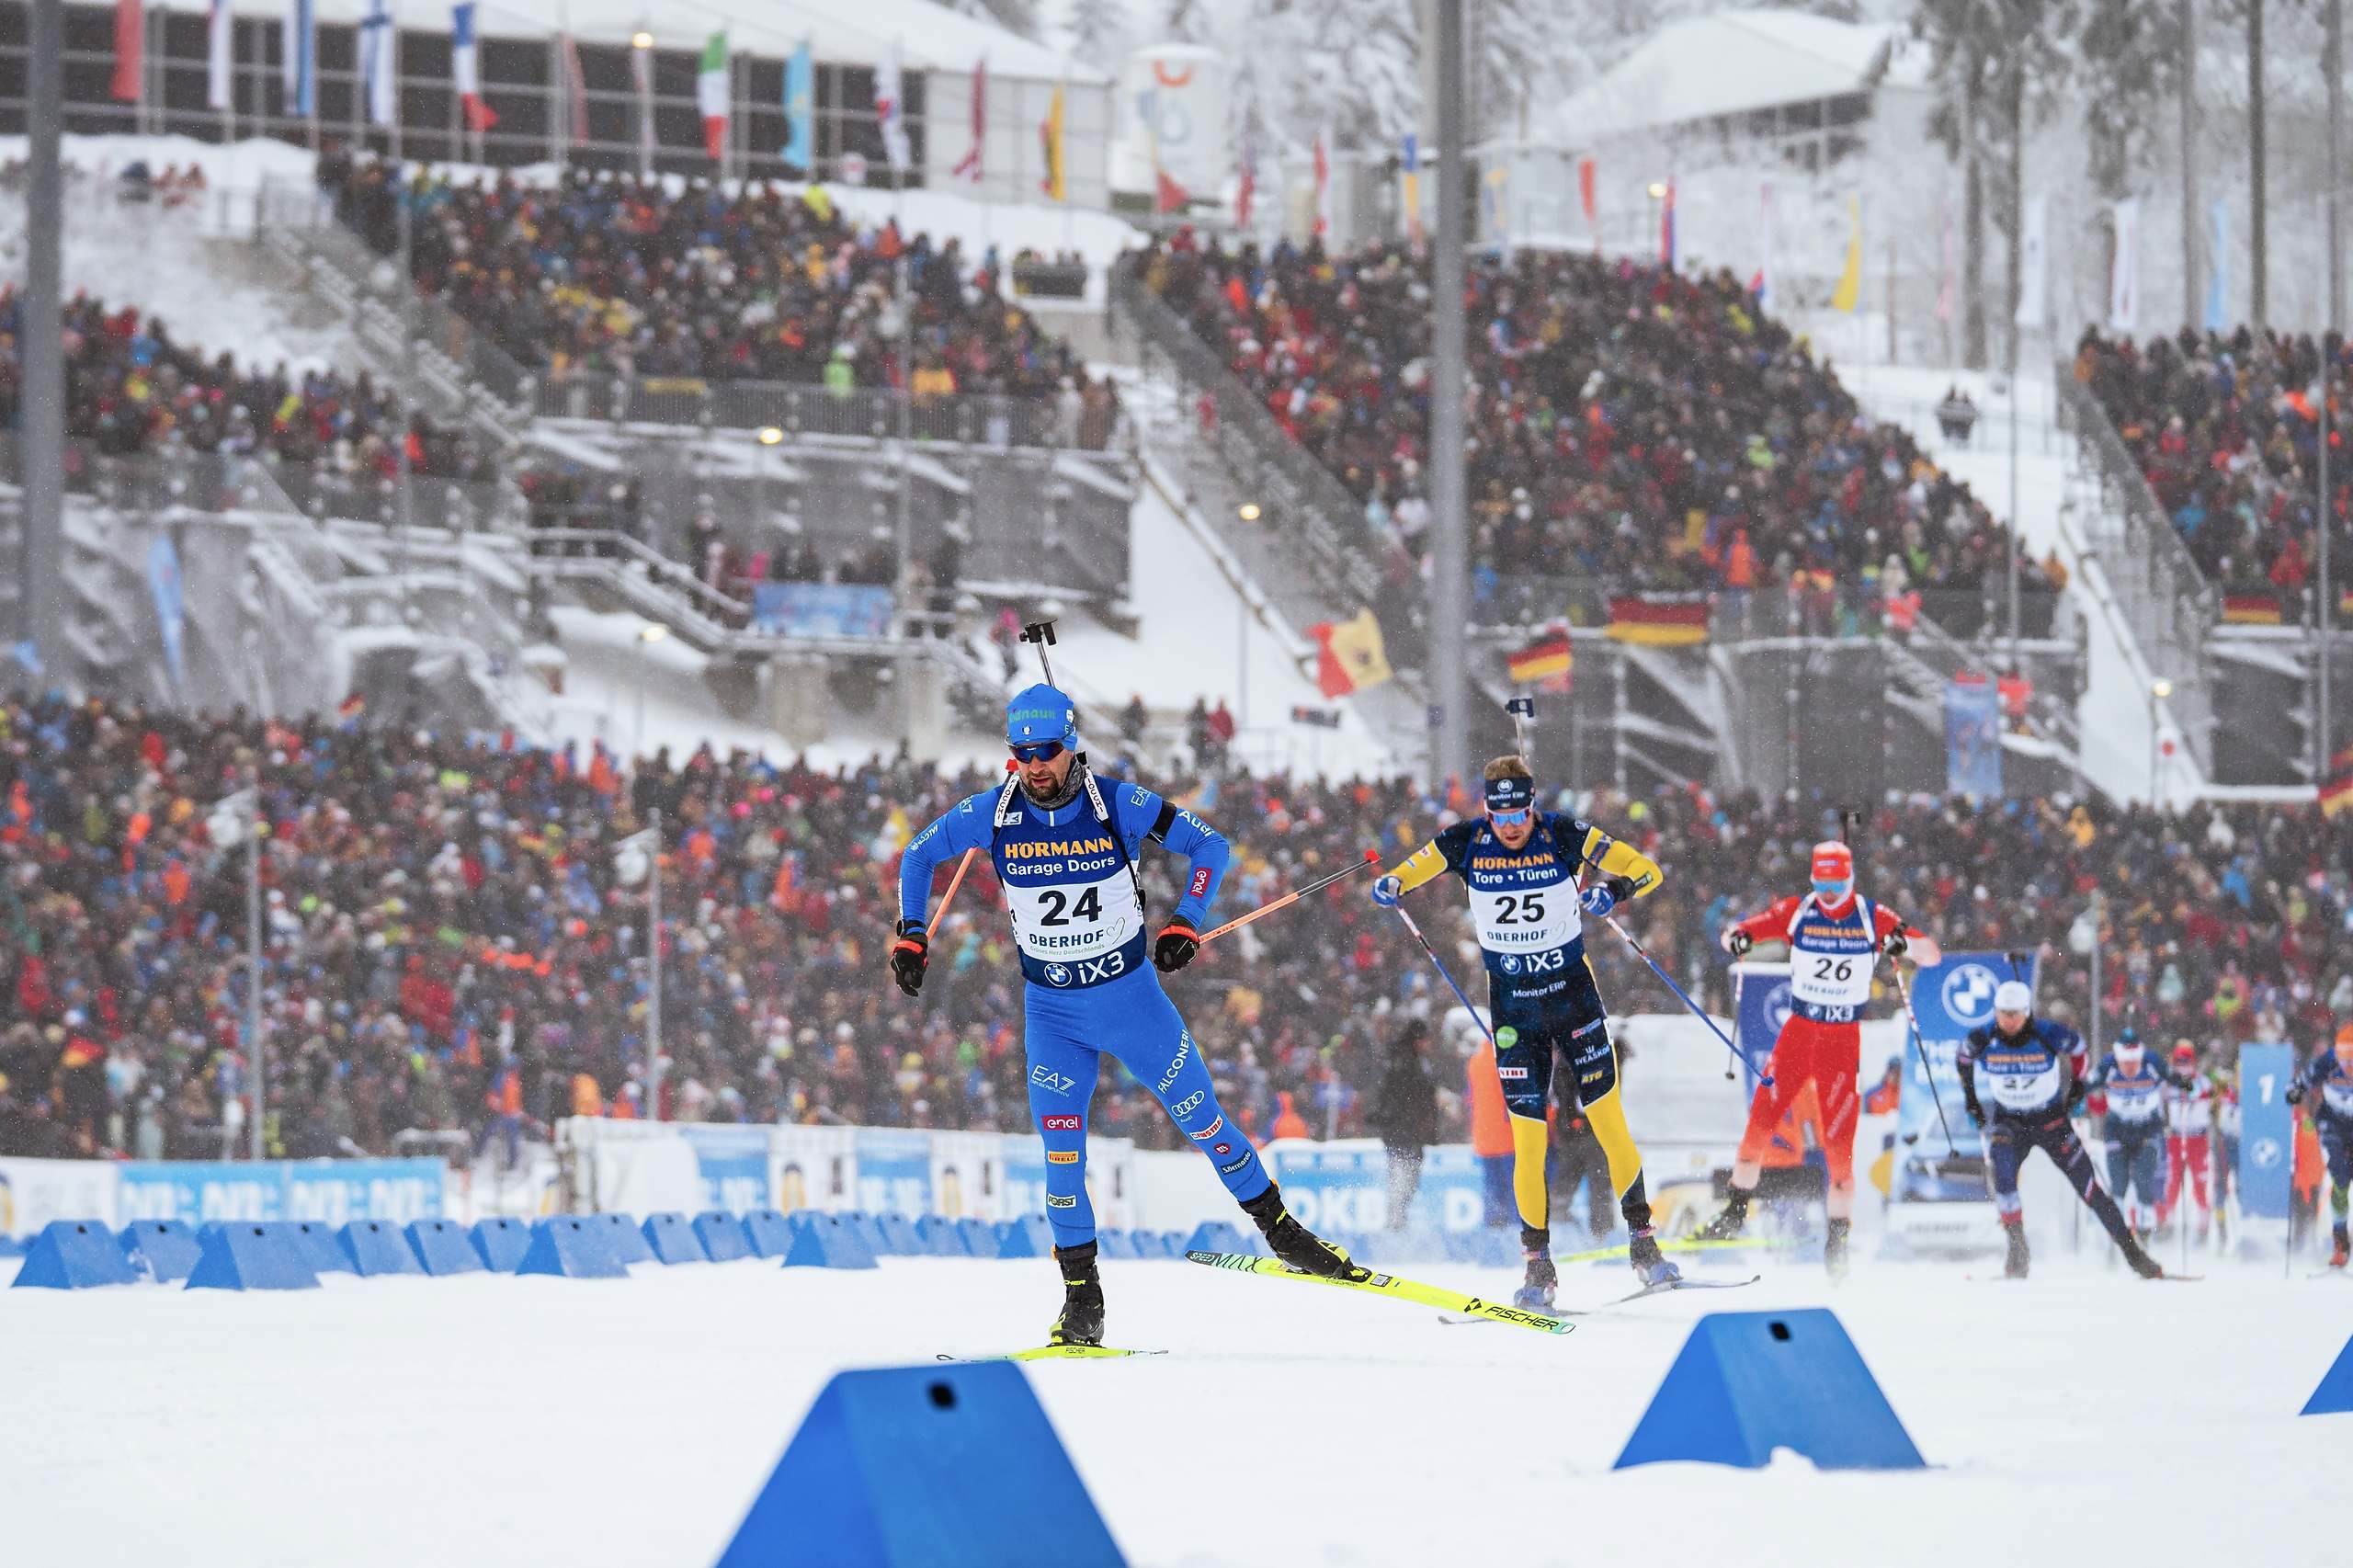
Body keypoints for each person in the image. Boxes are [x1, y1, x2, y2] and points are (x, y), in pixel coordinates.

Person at [891, 682, 1358, 1346]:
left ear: (1070, 743)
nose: (1035, 766)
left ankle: (1283, 1232)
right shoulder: (991, 815)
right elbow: (917, 853)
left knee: (1204, 1121)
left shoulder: (1118, 804)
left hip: (1131, 1001)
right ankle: (1083, 1301)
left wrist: (1185, 923)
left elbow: (1210, 847)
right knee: (1061, 1155)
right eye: (1021, 753)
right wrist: (913, 933)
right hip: (1052, 1013)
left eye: (1047, 751)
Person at [1370, 754, 1675, 1307]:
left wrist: (1615, 894)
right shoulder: (1466, 840)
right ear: (1487, 809)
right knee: (1528, 1141)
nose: (1510, 824)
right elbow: (1413, 868)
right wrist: (1393, 882)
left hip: (1573, 999)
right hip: (1514, 1011)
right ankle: (1538, 1267)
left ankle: (1644, 1243)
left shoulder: (1564, 833)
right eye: (1499, 813)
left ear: (1533, 806)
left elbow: (1648, 870)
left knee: (1608, 1121)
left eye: (1519, 812)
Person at [1700, 839, 1941, 1276]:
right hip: (1799, 1033)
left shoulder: (1872, 917)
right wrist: (1735, 940)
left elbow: (1931, 953)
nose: (1830, 895)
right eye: (1823, 884)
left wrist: (1901, 944)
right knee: (1758, 1127)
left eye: (1838, 885)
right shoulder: (1797, 911)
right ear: (1814, 879)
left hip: (1842, 1040)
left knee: (1839, 1151)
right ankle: (1734, 1214)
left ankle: (1838, 1240)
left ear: (1850, 879)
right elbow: (1738, 932)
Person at [1957, 983, 2165, 1278]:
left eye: (2015, 1015)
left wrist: (2078, 1087)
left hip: (2050, 1121)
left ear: (2027, 1013)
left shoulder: (2048, 1033)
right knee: (2002, 1178)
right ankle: (2018, 1250)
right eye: (2003, 1014)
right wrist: (1972, 1102)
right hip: (2009, 1122)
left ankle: (2134, 1254)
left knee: (2092, 1190)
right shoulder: (1983, 1037)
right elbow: (1962, 1059)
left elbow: (2079, 1048)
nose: (2008, 1021)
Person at [2087, 1027, 2193, 1240]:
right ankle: (2116, 1242)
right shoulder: (2108, 1065)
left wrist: (2184, 1086)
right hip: (2117, 1130)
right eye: (2125, 1063)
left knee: (2145, 1184)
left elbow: (2173, 1077)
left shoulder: (2151, 1062)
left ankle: (2144, 1241)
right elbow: (2085, 1086)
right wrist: (2073, 1104)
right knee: (2118, 1187)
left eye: (2134, 1062)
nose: (2129, 1067)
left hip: (2147, 1129)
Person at [2286, 1025, 2353, 1269]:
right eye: (2344, 1058)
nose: (2347, 1066)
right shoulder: (2329, 1060)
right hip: (2332, 1123)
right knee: (2341, 1177)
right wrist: (2293, 1091)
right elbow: (2302, 1081)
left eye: (2352, 1059)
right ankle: (2340, 1243)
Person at [1370, 1017, 1440, 1231]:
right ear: (1417, 1040)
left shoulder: (1405, 1059)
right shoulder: (1406, 1062)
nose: (1429, 1044)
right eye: (1426, 1039)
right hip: (1405, 1131)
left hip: (1403, 1131)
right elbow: (1407, 1096)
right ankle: (1395, 1221)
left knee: (1403, 1177)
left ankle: (1397, 1218)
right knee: (1404, 1178)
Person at [2160, 1040, 2216, 1242]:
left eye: (2187, 1061)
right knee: (2172, 1181)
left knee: (2200, 1182)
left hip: (2197, 1138)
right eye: (2178, 1062)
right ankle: (2168, 1223)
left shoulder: (2203, 1081)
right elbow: (2159, 1096)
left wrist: (2187, 1089)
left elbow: (2202, 1093)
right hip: (2176, 1137)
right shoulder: (2169, 1083)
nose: (2183, 1066)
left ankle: (2203, 1225)